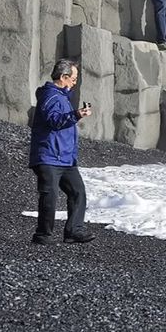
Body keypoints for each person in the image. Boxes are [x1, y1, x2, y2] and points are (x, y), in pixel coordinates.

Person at [29, 59, 95, 245]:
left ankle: (74, 231)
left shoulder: (61, 97)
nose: (74, 82)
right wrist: (76, 114)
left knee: (78, 192)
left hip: (65, 158)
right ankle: (43, 235)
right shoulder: (51, 96)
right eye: (73, 79)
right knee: (49, 196)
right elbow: (54, 121)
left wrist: (75, 114)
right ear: (64, 77)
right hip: (49, 156)